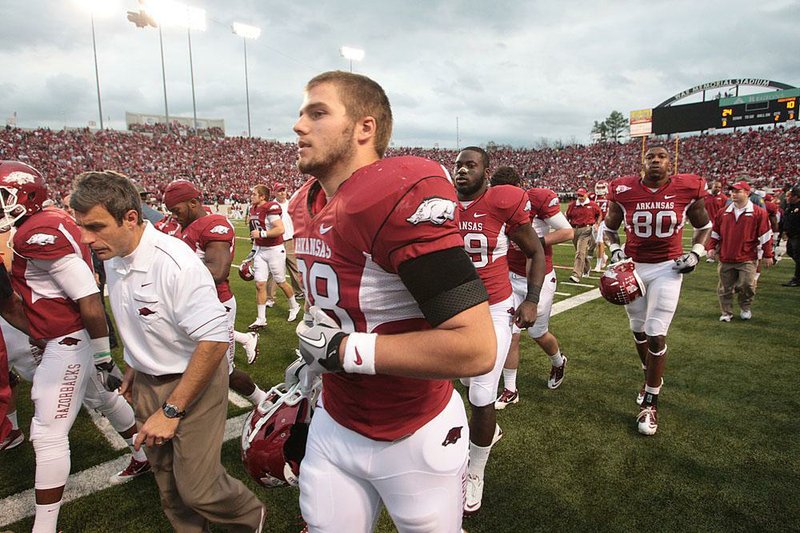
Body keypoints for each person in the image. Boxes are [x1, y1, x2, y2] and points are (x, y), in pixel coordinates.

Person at [290, 71, 495, 533]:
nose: (299, 125)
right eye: (301, 112)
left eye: (317, 113)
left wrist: (344, 351)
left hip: (411, 430)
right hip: (335, 418)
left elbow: (476, 347)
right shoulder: (304, 202)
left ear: (365, 128)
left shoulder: (395, 192)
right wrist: (315, 364)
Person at [70, 171, 265, 532]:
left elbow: (214, 340)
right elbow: (137, 317)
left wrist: (172, 409)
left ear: (130, 217)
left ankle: (250, 520)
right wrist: (134, 364)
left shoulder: (175, 263)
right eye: (82, 227)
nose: (86, 238)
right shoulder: (114, 255)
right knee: (169, 484)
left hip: (194, 377)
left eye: (95, 226)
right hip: (148, 378)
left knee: (198, 488)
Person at [0, 161, 127, 532]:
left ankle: (44, 526)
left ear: (26, 194)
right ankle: (145, 452)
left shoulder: (34, 234)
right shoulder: (42, 222)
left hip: (68, 340)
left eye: (4, 195)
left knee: (48, 432)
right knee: (104, 399)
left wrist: (103, 353)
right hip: (68, 336)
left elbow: (86, 294)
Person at [453, 151, 545, 516]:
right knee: (457, 379)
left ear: (486, 172)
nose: (461, 169)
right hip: (453, 306)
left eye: (470, 164)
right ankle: (486, 432)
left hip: (493, 307)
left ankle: (475, 471)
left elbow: (536, 251)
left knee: (479, 389)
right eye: (457, 163)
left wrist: (532, 299)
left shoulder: (502, 201)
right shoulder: (441, 204)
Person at [604, 146, 712, 436]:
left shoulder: (687, 188)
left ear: (670, 163)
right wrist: (615, 250)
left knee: (655, 330)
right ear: (643, 162)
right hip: (634, 266)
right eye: (650, 157)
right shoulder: (623, 189)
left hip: (668, 267)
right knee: (638, 328)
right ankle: (649, 373)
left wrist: (696, 253)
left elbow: (706, 226)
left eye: (661, 157)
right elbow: (609, 229)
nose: (655, 161)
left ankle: (651, 400)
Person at [163, 179, 265, 384]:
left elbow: (218, 271)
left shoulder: (213, 224)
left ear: (193, 203)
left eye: (177, 210)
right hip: (194, 303)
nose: (174, 216)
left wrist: (170, 279)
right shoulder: (189, 223)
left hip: (217, 305)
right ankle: (246, 340)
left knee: (223, 371)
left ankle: (261, 401)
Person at [490, 167, 574, 408]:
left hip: (539, 276)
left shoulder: (537, 200)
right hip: (508, 274)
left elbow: (567, 232)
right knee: (511, 333)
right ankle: (510, 389)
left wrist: (534, 243)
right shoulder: (493, 206)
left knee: (538, 333)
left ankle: (558, 362)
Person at [706, 181, 774, 321]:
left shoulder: (758, 212)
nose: (733, 194)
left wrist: (768, 254)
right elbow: (715, 233)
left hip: (747, 257)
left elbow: (766, 235)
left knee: (747, 285)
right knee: (725, 288)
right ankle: (726, 312)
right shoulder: (723, 212)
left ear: (747, 193)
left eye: (737, 191)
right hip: (726, 256)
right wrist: (711, 247)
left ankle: (745, 307)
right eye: (732, 191)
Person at [247, 184, 301, 328]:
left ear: (262, 196)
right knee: (260, 284)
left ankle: (294, 306)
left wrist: (262, 234)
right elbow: (255, 234)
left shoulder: (270, 208)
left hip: (274, 250)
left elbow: (280, 229)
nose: (251, 196)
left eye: (254, 194)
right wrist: (251, 254)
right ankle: (261, 318)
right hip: (260, 250)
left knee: (280, 281)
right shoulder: (253, 209)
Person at [265, 184, 304, 306]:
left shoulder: (291, 203)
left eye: (284, 190)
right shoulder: (271, 206)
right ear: (275, 193)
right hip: (276, 241)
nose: (282, 193)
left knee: (294, 267)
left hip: (290, 239)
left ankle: (299, 291)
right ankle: (270, 298)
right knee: (274, 269)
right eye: (279, 191)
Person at [565, 187, 601, 283]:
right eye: (578, 195)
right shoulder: (572, 205)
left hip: (586, 229)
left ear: (586, 195)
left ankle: (576, 274)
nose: (580, 197)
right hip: (574, 229)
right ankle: (587, 268)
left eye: (582, 195)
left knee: (580, 252)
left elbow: (599, 214)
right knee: (579, 252)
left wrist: (597, 224)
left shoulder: (592, 205)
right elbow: (567, 216)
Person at [781, 184, 800, 287]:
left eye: (789, 196)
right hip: (791, 235)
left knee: (798, 256)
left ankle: (797, 279)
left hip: (797, 235)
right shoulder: (790, 206)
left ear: (796, 197)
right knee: (791, 252)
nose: (786, 197)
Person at [591, 180, 610, 271]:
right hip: (594, 222)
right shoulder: (592, 196)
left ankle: (598, 264)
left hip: (603, 222)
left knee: (599, 241)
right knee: (599, 241)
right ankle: (604, 256)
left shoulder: (609, 197)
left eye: (602, 187)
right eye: (598, 188)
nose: (600, 190)